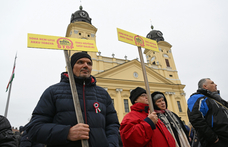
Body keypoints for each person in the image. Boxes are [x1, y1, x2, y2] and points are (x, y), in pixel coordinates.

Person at [26, 52, 120, 147]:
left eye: (89, 63)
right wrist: (66, 133)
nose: (85, 65)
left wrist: (111, 144)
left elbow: (112, 125)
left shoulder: (102, 94)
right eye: (80, 62)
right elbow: (34, 129)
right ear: (71, 67)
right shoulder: (53, 92)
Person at [187, 78, 228, 147]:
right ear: (205, 86)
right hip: (218, 141)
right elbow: (196, 119)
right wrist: (213, 138)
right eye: (212, 83)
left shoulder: (217, 100)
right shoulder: (197, 98)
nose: (215, 84)